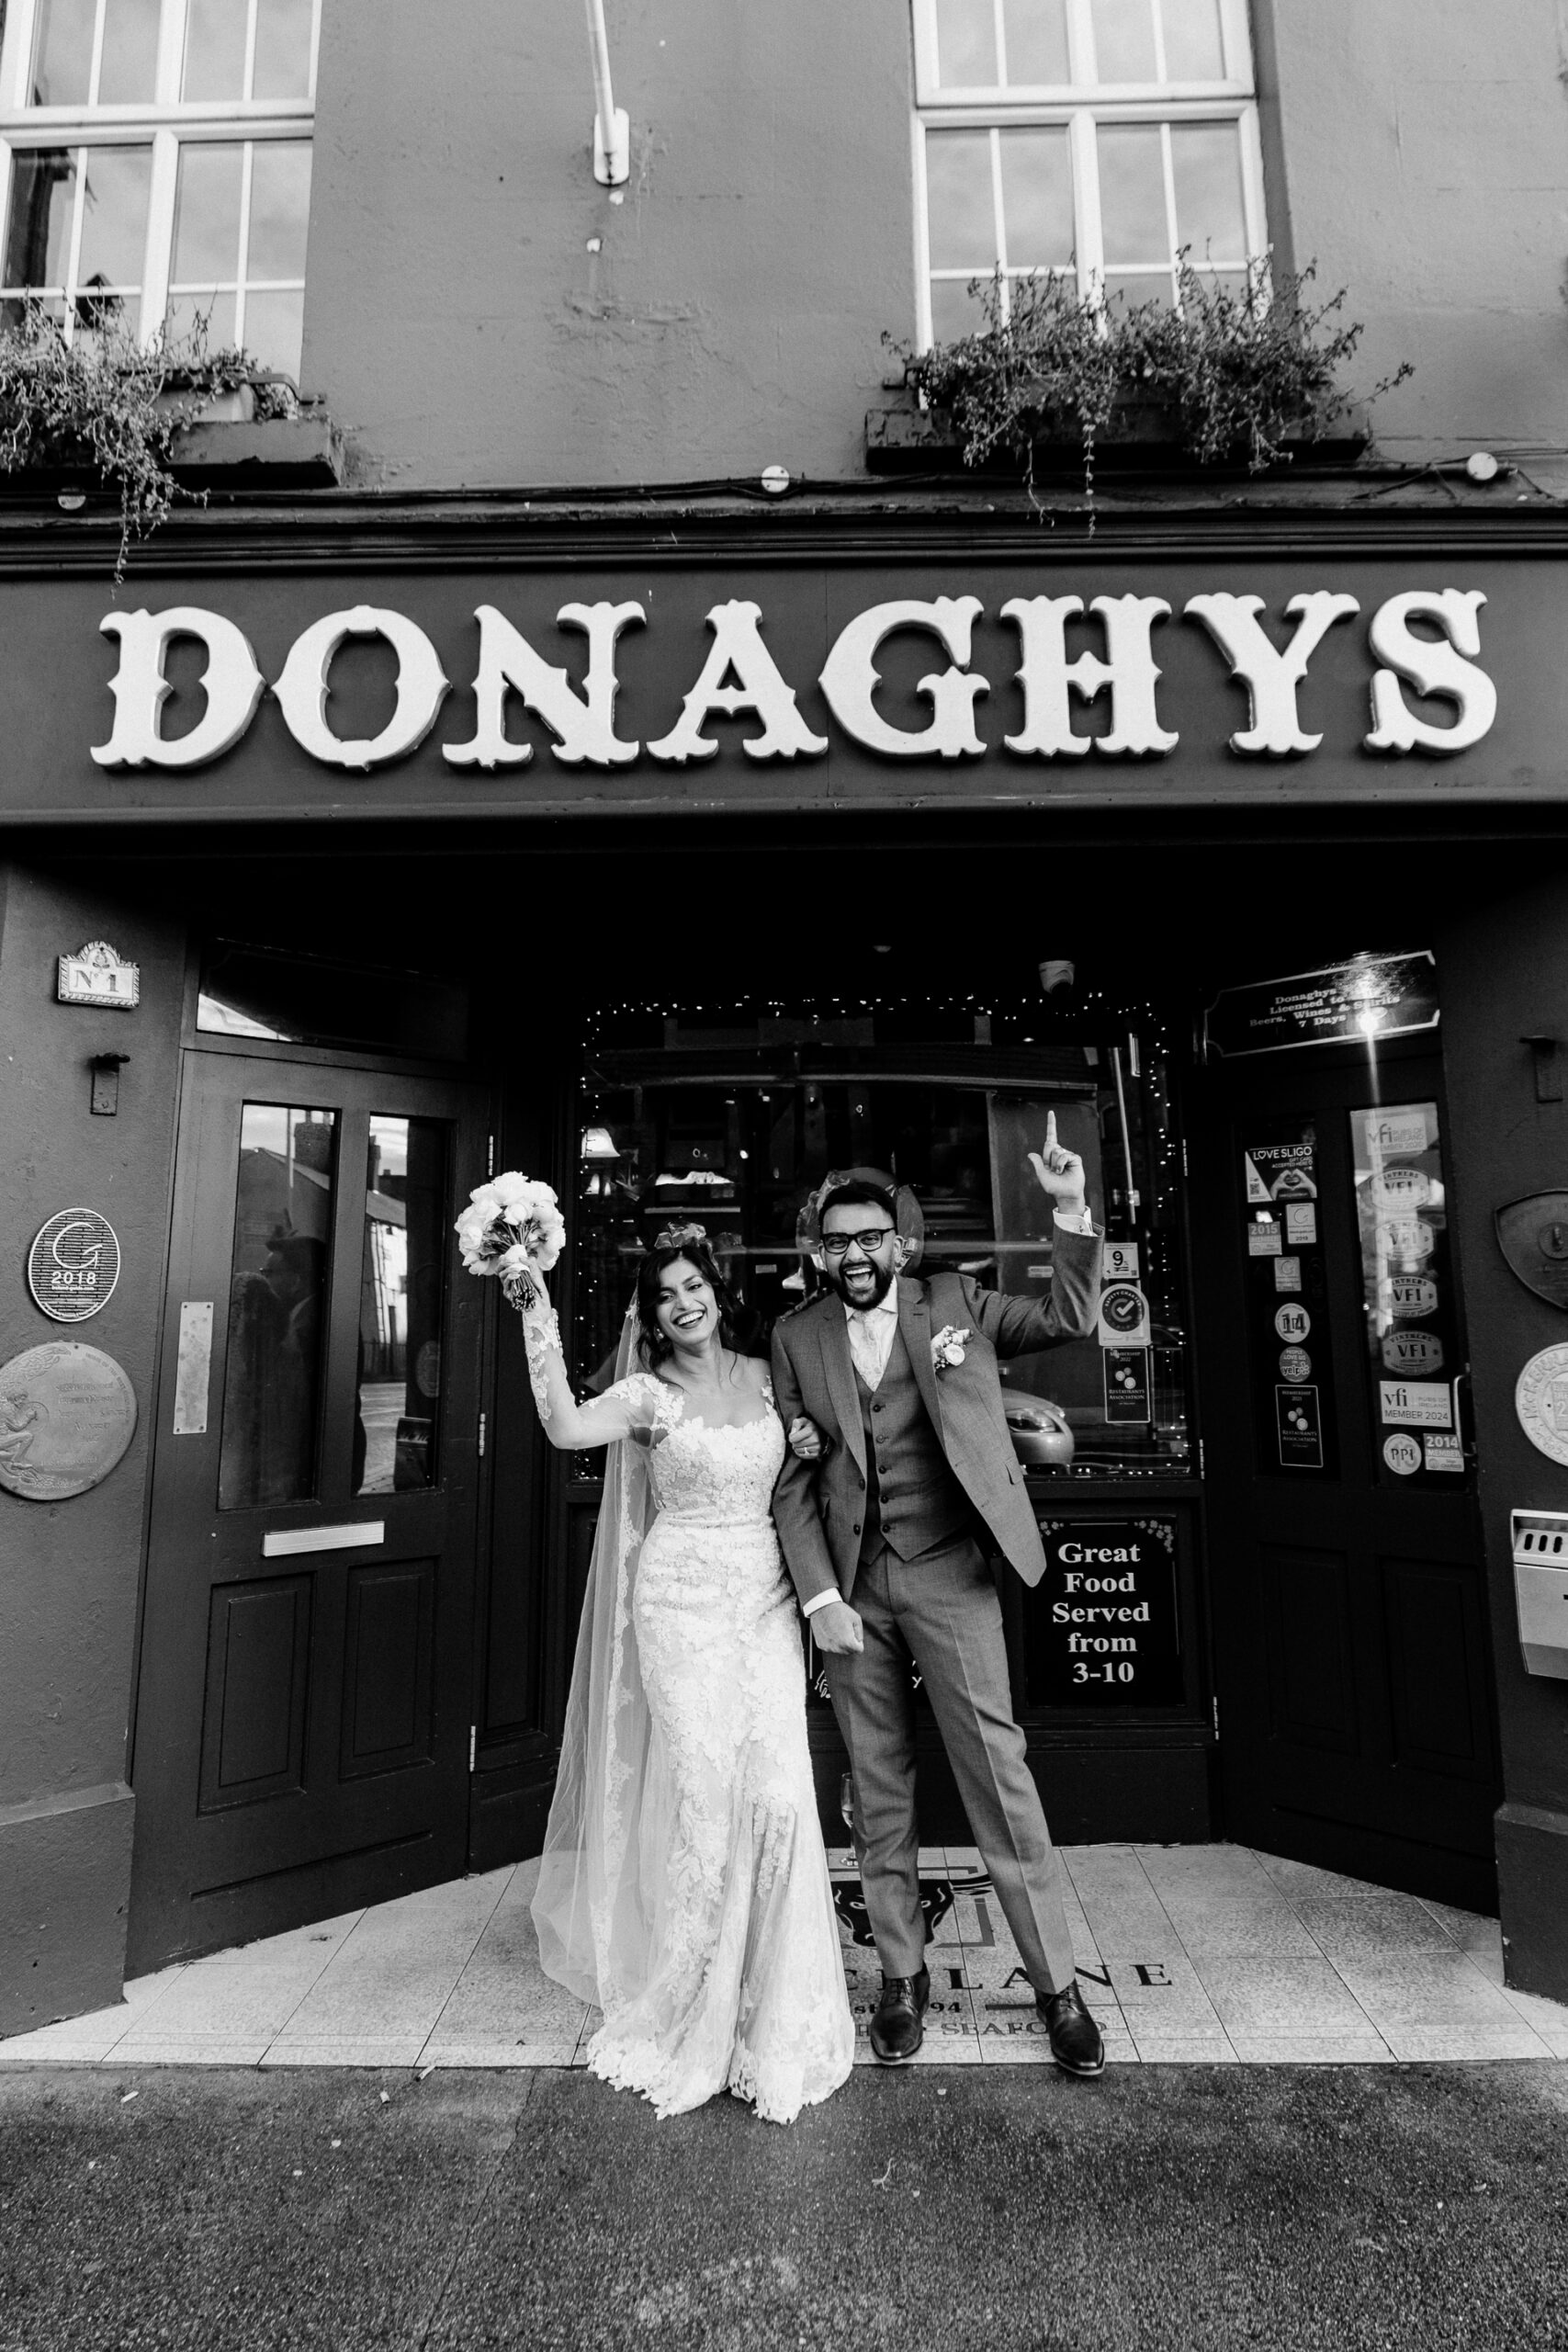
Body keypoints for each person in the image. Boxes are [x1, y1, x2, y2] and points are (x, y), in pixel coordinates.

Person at [770, 1114, 1107, 2075]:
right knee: (877, 1792)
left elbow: (1072, 1317)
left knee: (1000, 1781)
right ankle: (901, 1981)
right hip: (856, 1589)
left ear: (901, 1241)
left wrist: (1071, 1207)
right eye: (837, 1241)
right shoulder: (797, 1336)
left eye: (871, 1237)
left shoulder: (956, 1301)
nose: (855, 1254)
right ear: (821, 1251)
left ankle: (1059, 1990)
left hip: (954, 1573)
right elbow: (795, 1480)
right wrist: (818, 1596)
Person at [521, 1221, 854, 2124]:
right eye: (666, 1293)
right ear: (652, 1312)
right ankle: (698, 2010)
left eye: (694, 1285)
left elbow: (809, 1452)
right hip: (680, 1609)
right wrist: (535, 1313)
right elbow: (561, 1425)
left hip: (766, 1602)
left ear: (717, 1290)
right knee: (708, 1801)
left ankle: (770, 2009)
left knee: (780, 1798)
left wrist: (815, 1447)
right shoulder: (646, 1395)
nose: (684, 1303)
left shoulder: (763, 1372)